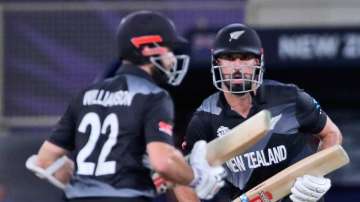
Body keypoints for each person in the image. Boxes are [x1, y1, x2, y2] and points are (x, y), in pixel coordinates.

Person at [26, 10, 226, 202]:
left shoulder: (86, 94)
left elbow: (45, 159)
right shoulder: (152, 95)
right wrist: (197, 177)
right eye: (168, 49)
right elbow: (163, 162)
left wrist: (90, 185)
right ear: (148, 48)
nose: (171, 57)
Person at [175, 23, 343, 202]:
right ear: (217, 62)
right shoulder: (204, 118)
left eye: (245, 57)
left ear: (258, 61)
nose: (237, 66)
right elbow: (182, 179)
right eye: (229, 58)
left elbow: (332, 134)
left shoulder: (290, 97)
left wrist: (317, 173)